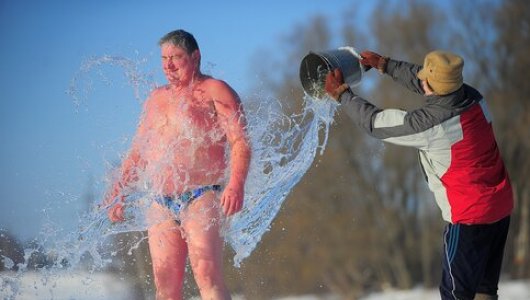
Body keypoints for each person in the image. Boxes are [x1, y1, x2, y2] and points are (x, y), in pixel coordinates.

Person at [324, 50, 513, 300]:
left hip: (470, 219)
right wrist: (386, 65)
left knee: (456, 294)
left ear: (430, 86)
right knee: (484, 290)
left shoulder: (433, 125)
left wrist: (342, 95)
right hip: (500, 208)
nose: (421, 79)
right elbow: (426, 82)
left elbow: (375, 122)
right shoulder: (473, 97)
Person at [104, 29, 251, 300]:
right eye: (164, 58)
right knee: (166, 289)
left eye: (176, 57)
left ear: (195, 57)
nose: (169, 65)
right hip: (161, 201)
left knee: (207, 275)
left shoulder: (215, 90)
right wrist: (118, 188)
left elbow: (240, 141)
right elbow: (139, 150)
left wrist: (236, 184)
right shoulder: (156, 99)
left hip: (203, 194)